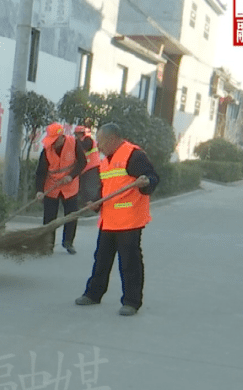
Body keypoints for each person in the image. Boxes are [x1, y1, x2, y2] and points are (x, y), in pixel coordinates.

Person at [74, 123, 159, 316]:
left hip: (129, 219)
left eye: (101, 143)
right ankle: (93, 294)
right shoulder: (106, 161)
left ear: (113, 139)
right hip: (109, 219)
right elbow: (106, 188)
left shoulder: (134, 155)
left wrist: (146, 182)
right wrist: (96, 202)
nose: (99, 147)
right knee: (101, 259)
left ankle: (131, 301)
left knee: (129, 262)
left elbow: (153, 177)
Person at [35, 122, 86, 254]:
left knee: (71, 215)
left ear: (61, 137)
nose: (52, 143)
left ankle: (68, 242)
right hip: (52, 186)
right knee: (49, 217)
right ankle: (48, 245)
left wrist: (71, 175)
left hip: (70, 186)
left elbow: (82, 162)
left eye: (54, 140)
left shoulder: (74, 143)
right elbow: (40, 172)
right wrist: (39, 191)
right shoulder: (46, 149)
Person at [75, 125, 101, 208]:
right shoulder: (81, 141)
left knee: (90, 188)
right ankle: (86, 206)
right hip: (86, 168)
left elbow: (84, 148)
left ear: (81, 133)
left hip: (92, 167)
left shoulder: (87, 140)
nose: (76, 136)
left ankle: (93, 206)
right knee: (84, 188)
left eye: (77, 134)